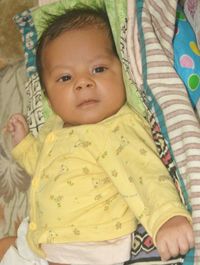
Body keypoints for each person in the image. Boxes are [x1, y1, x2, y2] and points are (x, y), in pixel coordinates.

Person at [3, 6, 194, 265]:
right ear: (48, 96)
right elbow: (41, 166)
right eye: (66, 77)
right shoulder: (54, 129)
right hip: (42, 238)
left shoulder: (116, 127)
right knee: (4, 244)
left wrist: (167, 217)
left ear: (122, 72)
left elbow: (143, 172)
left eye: (99, 69)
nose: (83, 83)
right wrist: (24, 144)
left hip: (89, 244)